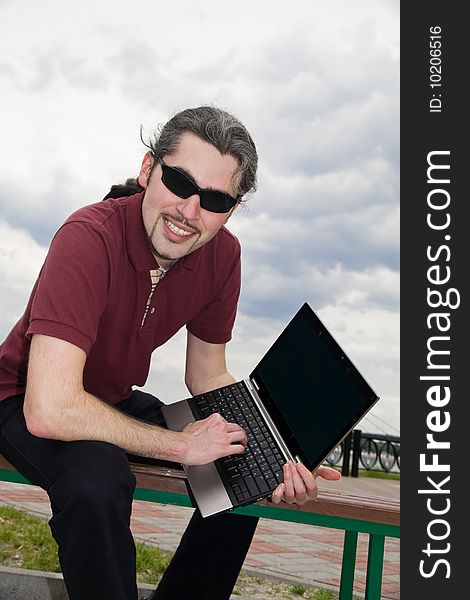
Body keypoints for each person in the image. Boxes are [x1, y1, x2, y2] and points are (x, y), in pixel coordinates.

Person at [0, 106, 339, 600]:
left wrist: (281, 451)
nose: (190, 211)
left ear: (233, 209)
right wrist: (183, 446)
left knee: (242, 463)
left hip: (111, 400)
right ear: (147, 169)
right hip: (23, 394)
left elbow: (207, 374)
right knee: (97, 479)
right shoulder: (88, 237)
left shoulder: (224, 255)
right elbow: (50, 408)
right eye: (179, 181)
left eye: (217, 198)